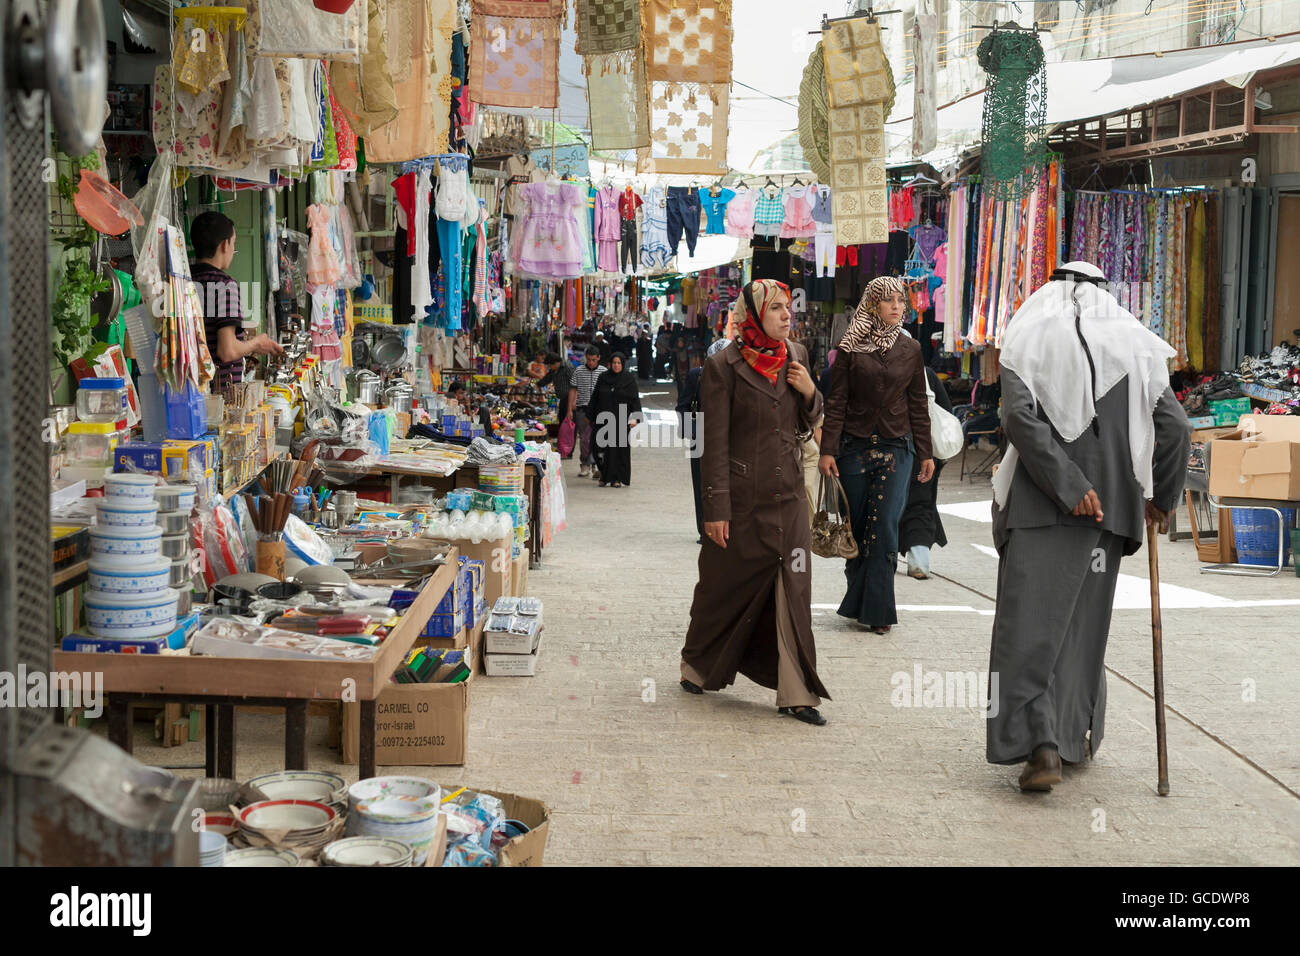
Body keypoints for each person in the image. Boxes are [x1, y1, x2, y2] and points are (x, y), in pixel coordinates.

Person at [986, 261, 1190, 792]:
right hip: (1112, 514)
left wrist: (1070, 487)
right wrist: (1160, 500)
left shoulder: (1028, 337)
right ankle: (1068, 739)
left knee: (1030, 632)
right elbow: (1175, 427)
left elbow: (1017, 420)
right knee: (1079, 631)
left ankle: (1043, 745)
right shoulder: (1135, 345)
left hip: (1042, 508)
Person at [679, 279, 830, 726]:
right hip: (743, 502)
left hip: (789, 500)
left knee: (795, 588)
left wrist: (809, 392)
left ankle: (797, 693)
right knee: (722, 589)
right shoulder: (723, 366)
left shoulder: (798, 357)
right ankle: (698, 665)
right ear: (754, 314)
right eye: (777, 309)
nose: (787, 315)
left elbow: (814, 416)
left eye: (789, 308)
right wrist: (716, 510)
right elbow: (714, 443)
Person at [819, 276, 933, 635]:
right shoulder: (849, 348)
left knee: (883, 527)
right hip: (854, 446)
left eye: (901, 300)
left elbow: (917, 402)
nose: (897, 306)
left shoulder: (911, 349)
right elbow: (836, 401)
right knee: (858, 526)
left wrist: (926, 451)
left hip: (897, 446)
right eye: (888, 301)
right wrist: (828, 450)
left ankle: (879, 610)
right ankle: (858, 598)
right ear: (872, 305)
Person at [190, 211, 283, 390]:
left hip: (188, 389)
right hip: (217, 394)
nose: (233, 249)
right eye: (234, 243)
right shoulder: (224, 285)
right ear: (225, 245)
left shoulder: (183, 280)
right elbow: (227, 351)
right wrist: (257, 343)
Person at [898, 366, 953, 579]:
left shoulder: (875, 368)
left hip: (891, 449)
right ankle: (919, 561)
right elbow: (945, 410)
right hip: (924, 452)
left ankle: (886, 558)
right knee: (920, 503)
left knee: (886, 505)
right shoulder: (926, 373)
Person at [590, 353, 643, 487]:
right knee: (599, 448)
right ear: (610, 364)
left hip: (621, 419)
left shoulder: (628, 379)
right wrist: (589, 416)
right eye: (614, 363)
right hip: (603, 419)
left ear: (623, 364)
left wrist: (636, 419)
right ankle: (604, 474)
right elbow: (595, 397)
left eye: (619, 363)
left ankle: (617, 478)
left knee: (618, 451)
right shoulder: (603, 377)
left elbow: (635, 400)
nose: (616, 365)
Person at [676, 362, 705, 542]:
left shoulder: (738, 375)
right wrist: (691, 431)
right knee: (701, 483)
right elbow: (683, 405)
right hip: (700, 437)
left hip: (730, 439)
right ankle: (704, 529)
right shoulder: (698, 376)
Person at [570, 346, 606, 478]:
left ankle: (595, 465)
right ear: (585, 358)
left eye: (593, 360)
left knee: (597, 439)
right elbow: (573, 389)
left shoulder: (604, 372)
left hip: (598, 411)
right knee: (584, 439)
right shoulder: (578, 371)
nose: (591, 362)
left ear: (598, 358)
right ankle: (584, 464)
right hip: (582, 410)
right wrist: (570, 407)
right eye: (589, 360)